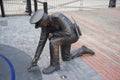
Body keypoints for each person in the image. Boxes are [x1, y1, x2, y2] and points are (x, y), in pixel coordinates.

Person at [28, 9, 95, 74]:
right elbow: (41, 42)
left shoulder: (57, 17)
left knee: (53, 42)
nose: (41, 27)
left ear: (44, 21)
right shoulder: (45, 26)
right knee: (66, 57)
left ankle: (55, 65)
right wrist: (35, 58)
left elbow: (68, 32)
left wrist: (53, 34)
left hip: (72, 35)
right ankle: (83, 49)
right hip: (63, 37)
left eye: (41, 25)